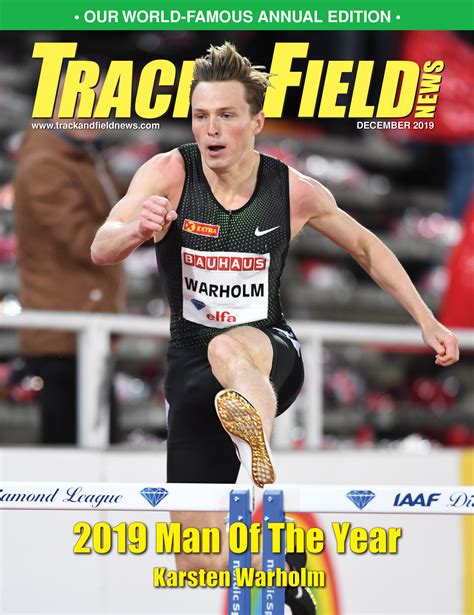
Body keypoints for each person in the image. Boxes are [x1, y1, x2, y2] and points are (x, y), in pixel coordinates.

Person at [91, 43, 459, 613]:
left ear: (257, 122)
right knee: (196, 557)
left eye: (227, 116)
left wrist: (426, 318)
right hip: (188, 371)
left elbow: (366, 246)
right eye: (200, 116)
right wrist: (137, 228)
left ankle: (253, 440)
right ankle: (281, 569)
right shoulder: (166, 172)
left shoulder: (292, 190)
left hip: (268, 354)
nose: (211, 130)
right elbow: (101, 246)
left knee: (230, 351)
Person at [14, 115, 125, 444]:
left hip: (87, 327)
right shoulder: (45, 164)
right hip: (65, 333)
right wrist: (140, 228)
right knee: (68, 451)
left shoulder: (85, 158)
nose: (96, 117)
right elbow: (86, 243)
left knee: (94, 443)